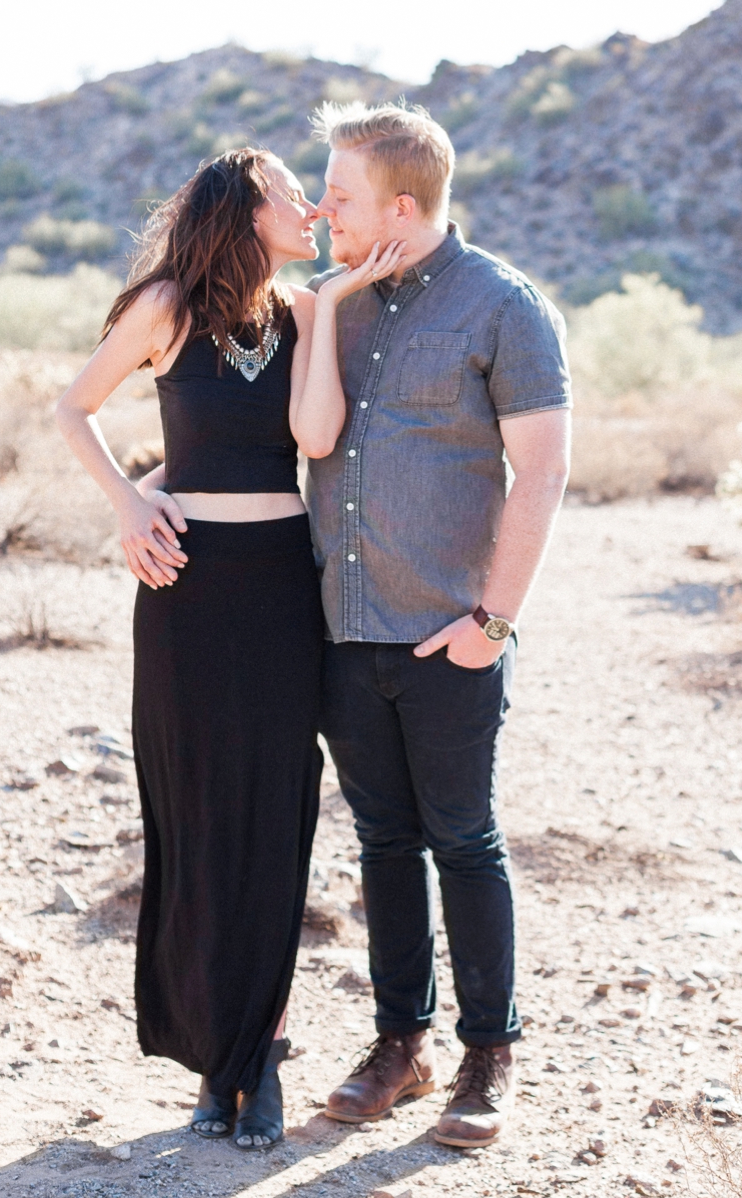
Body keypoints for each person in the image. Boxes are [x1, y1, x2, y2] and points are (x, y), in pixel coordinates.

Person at [56, 148, 402, 1150]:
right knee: (198, 814)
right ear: (244, 208)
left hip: (280, 586)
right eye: (291, 193)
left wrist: (332, 301)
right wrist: (132, 501)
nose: (309, 206)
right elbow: (73, 405)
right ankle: (221, 1059)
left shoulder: (301, 311)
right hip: (186, 587)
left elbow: (316, 437)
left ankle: (263, 1055)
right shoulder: (165, 303)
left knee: (273, 816)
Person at [306, 102, 572, 1147]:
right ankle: (399, 1044)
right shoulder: (333, 304)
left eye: (339, 195)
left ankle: (486, 1053)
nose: (322, 208)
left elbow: (543, 470)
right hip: (342, 629)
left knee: (463, 839)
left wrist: (491, 621)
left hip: (448, 634)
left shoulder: (502, 304)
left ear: (400, 207)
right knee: (381, 843)